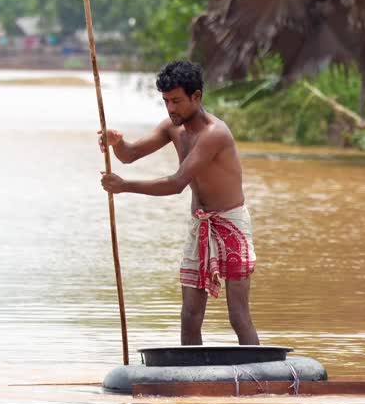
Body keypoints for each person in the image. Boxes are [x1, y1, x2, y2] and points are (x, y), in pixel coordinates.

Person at [98, 60, 259, 346]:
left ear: (196, 97)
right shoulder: (173, 128)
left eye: (176, 101)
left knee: (238, 314)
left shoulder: (214, 134)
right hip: (201, 223)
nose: (171, 109)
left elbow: (176, 184)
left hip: (231, 224)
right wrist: (116, 143)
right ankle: (191, 379)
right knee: (190, 314)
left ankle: (258, 379)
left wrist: (124, 187)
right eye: (166, 102)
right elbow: (131, 155)